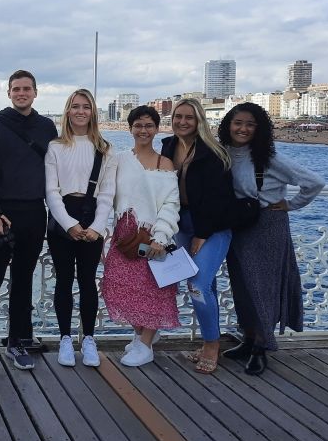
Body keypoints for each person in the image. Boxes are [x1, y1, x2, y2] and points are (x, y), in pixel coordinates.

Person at [218, 103, 323, 375]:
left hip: (267, 224)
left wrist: (291, 205)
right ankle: (249, 338)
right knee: (241, 286)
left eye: (250, 124)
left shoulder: (269, 157)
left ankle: (262, 347)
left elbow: (314, 181)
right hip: (239, 224)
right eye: (237, 122)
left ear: (259, 128)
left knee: (261, 287)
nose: (243, 129)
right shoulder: (225, 153)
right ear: (228, 125)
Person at [0, 70, 58, 377]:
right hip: (2, 215)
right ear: (8, 93)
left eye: (27, 89)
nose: (21, 93)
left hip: (35, 213)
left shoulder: (46, 126)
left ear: (35, 93)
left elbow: (57, 170)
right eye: (16, 89)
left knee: (23, 282)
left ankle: (15, 341)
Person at [101, 106, 180, 367]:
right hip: (124, 235)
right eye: (138, 125)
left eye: (149, 125)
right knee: (118, 286)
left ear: (157, 129)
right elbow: (106, 195)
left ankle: (145, 343)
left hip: (153, 235)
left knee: (154, 289)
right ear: (130, 128)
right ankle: (141, 335)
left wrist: (161, 236)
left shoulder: (165, 164)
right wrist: (103, 232)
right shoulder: (119, 159)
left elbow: (170, 203)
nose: (143, 130)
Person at [161, 98, 234, 374]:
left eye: (189, 117)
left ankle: (211, 345)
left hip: (212, 226)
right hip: (181, 223)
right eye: (178, 116)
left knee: (198, 285)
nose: (182, 122)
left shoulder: (212, 152)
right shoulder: (168, 146)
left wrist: (202, 234)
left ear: (199, 121)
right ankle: (206, 340)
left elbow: (219, 198)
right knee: (178, 278)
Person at [45, 89, 115, 368]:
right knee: (63, 280)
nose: (80, 111)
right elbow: (51, 191)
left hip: (92, 215)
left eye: (86, 107)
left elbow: (108, 193)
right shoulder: (55, 146)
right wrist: (69, 225)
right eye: (75, 106)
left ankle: (88, 339)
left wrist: (98, 227)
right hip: (64, 217)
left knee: (87, 281)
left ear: (93, 112)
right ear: (68, 111)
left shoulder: (105, 149)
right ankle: (64, 338)